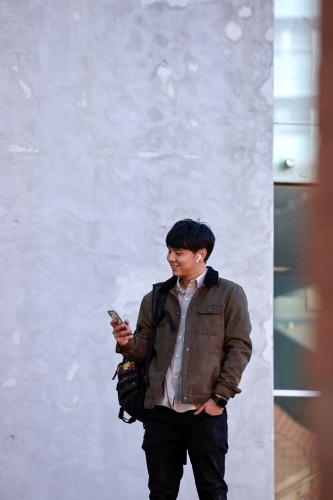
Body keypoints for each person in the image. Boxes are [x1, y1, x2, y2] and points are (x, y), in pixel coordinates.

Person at [111, 219, 252, 500]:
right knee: (161, 493)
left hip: (204, 413)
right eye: (169, 251)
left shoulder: (229, 293)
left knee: (212, 492)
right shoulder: (155, 298)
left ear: (201, 253)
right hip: (161, 413)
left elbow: (240, 348)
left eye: (178, 252)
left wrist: (220, 398)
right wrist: (127, 342)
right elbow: (144, 351)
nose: (170, 258)